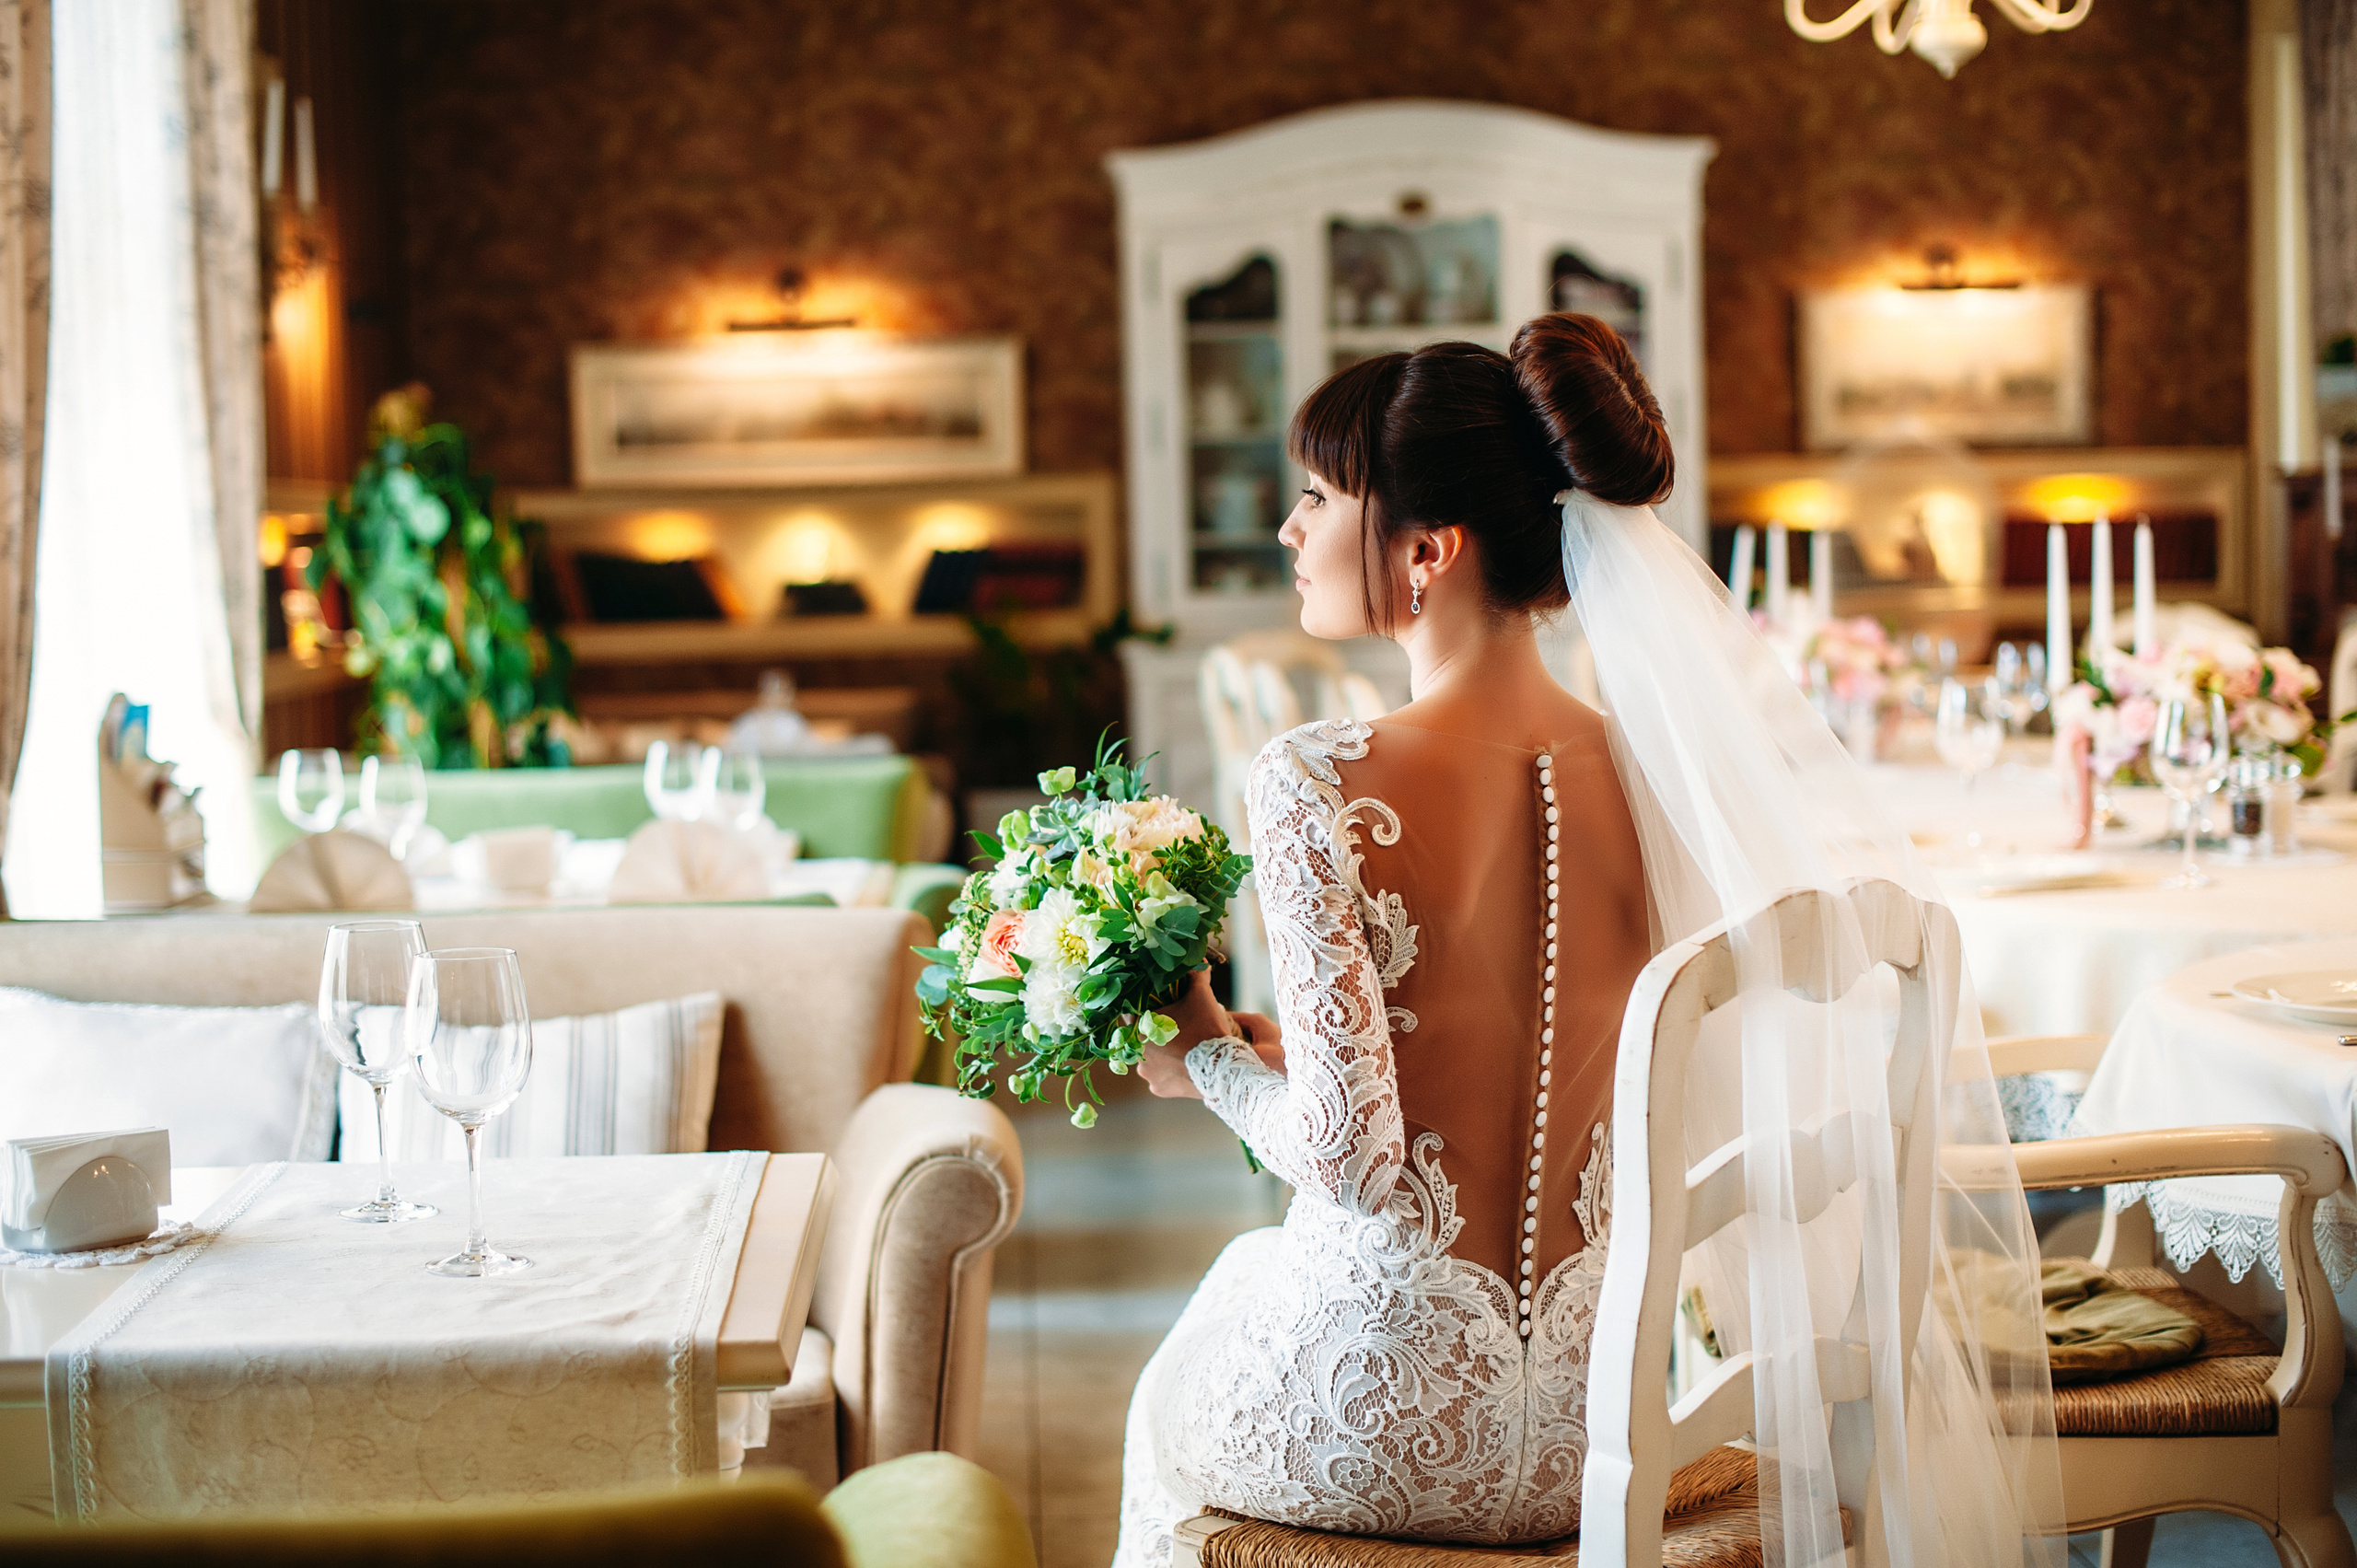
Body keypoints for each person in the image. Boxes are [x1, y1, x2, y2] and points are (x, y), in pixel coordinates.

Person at [1109, 316, 2058, 1568]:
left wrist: (1206, 1062)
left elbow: (1350, 1160)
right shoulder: (1654, 769)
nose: (1290, 528)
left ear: (1428, 549)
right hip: (1594, 1434)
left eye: (1320, 496)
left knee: (1164, 1398)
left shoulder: (1312, 778)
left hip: (1380, 1430)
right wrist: (1313, 1057)